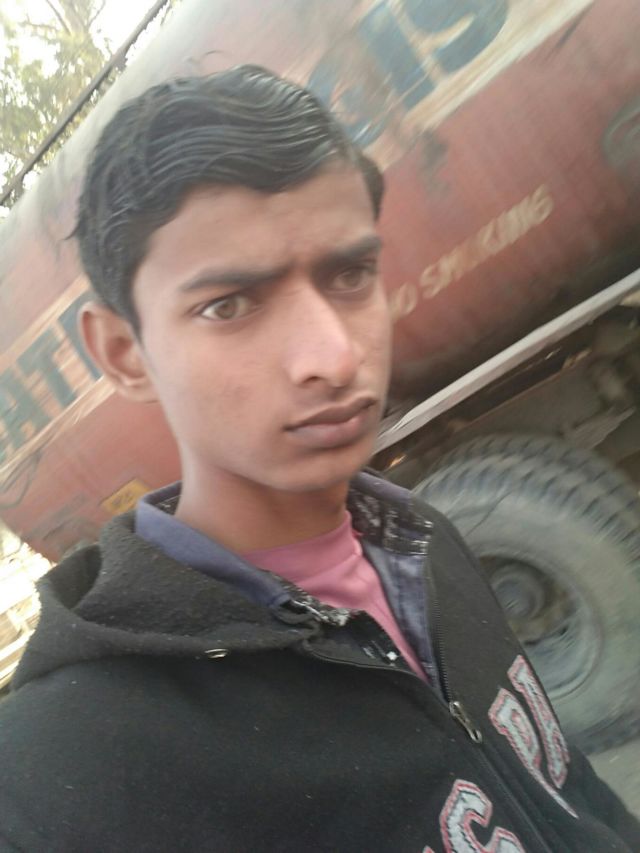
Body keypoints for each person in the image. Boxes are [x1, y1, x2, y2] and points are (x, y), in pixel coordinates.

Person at [0, 66, 638, 853]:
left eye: (350, 275)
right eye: (229, 305)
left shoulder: (423, 540)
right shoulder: (61, 784)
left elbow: (572, 791)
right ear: (124, 352)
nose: (334, 357)